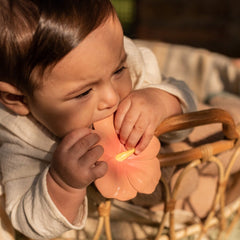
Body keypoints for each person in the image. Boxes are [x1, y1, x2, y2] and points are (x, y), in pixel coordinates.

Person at [0, 0, 196, 239]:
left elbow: (184, 101)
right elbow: (28, 221)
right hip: (137, 209)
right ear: (18, 99)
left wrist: (161, 101)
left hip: (172, 151)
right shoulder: (22, 137)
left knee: (226, 120)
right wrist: (63, 184)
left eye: (118, 71)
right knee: (197, 186)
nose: (112, 98)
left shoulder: (111, 57)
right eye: (83, 93)